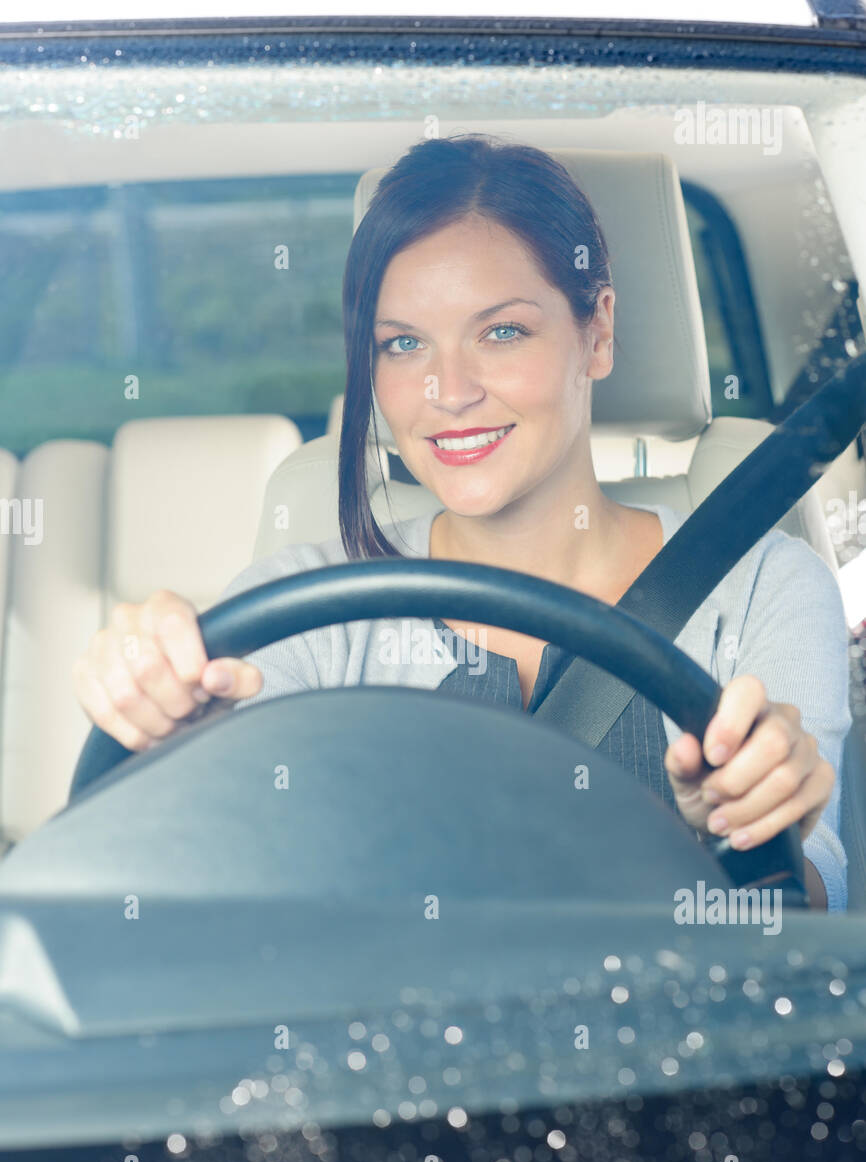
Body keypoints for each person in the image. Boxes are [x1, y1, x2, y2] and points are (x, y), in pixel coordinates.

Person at [72, 136, 851, 910]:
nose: (447, 390)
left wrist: (749, 838)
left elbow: (810, 914)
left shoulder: (762, 587)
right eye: (403, 344)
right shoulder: (302, 606)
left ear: (599, 330)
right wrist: (172, 750)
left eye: (501, 331)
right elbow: (238, 895)